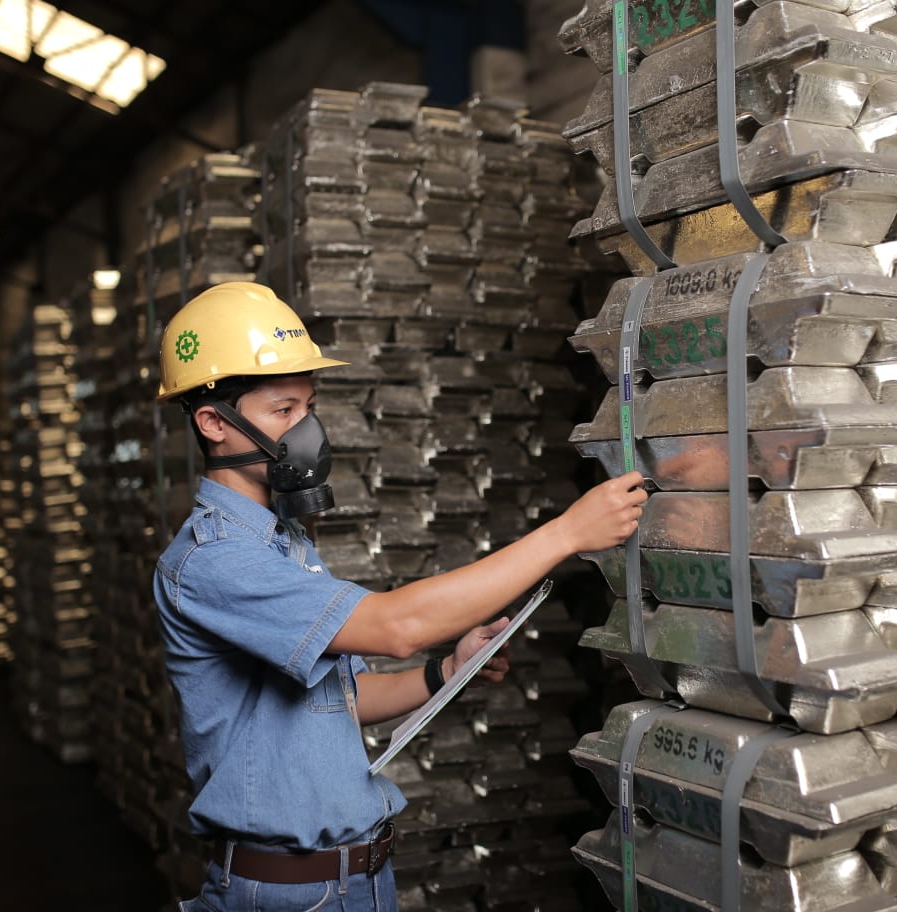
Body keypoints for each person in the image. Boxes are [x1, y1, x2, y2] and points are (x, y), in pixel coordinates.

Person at [152, 281, 646, 912]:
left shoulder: (283, 542)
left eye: (309, 406)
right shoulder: (214, 561)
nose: (307, 429)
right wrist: (567, 534)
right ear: (214, 423)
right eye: (283, 410)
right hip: (291, 895)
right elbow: (397, 626)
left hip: (355, 880)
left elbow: (345, 701)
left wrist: (445, 671)